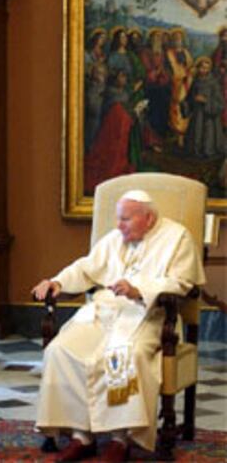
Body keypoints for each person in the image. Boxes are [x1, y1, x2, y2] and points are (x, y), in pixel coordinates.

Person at [32, 190, 205, 462]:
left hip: (146, 315)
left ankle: (119, 439)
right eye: (117, 219)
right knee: (61, 350)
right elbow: (86, 268)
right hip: (102, 312)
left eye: (125, 219)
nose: (118, 225)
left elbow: (183, 283)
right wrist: (57, 282)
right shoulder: (116, 238)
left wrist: (138, 289)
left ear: (148, 218)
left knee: (123, 355)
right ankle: (81, 436)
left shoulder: (176, 238)